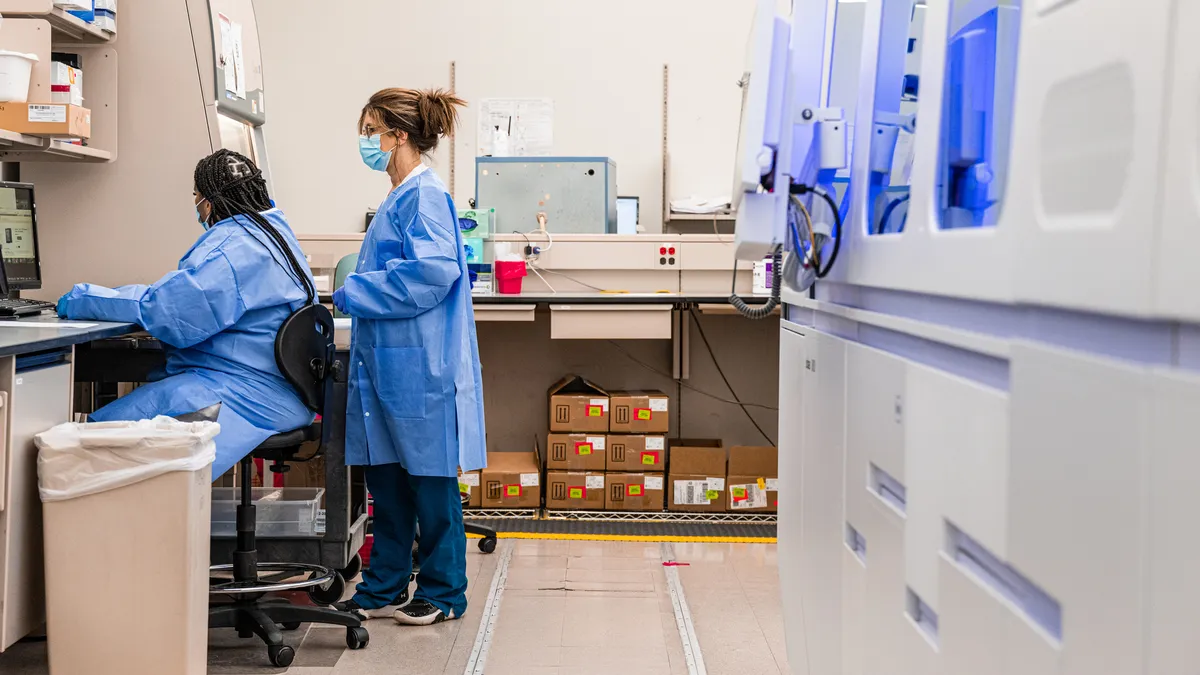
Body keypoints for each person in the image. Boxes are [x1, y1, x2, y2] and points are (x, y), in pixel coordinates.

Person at [57, 149, 318, 477]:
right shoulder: (273, 234)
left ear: (208, 202)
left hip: (246, 395)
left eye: (196, 196)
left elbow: (166, 311)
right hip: (272, 389)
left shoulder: (234, 248)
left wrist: (84, 299)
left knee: (91, 444)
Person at [332, 87, 485, 626]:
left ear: (398, 136)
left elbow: (433, 271)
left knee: (431, 484)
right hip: (389, 365)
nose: (365, 141)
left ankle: (444, 591)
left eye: (371, 130)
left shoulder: (423, 196)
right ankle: (385, 586)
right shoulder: (400, 197)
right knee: (389, 487)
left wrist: (355, 291)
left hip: (421, 366)